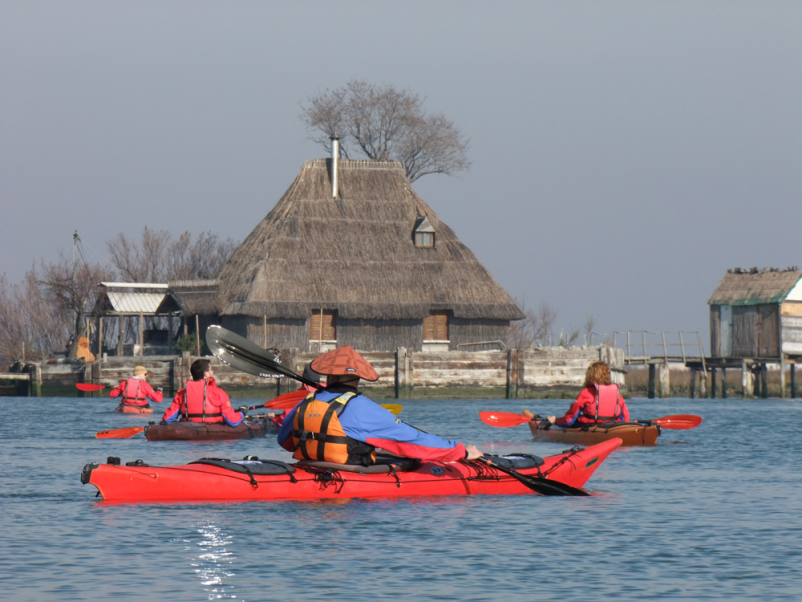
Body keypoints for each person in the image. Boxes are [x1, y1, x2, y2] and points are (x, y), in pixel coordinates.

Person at [278, 345, 483, 465]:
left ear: (329, 374)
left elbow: (285, 442)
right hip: (348, 487)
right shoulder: (361, 407)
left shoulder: (307, 400)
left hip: (310, 468)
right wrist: (460, 451)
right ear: (358, 377)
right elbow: (413, 441)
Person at [162, 359, 245, 426]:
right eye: (211, 369)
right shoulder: (219, 393)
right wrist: (242, 413)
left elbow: (167, 419)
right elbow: (232, 421)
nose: (213, 372)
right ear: (206, 374)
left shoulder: (181, 393)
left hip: (188, 429)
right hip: (212, 432)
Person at [546, 361, 630, 426]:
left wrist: (556, 421)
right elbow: (625, 419)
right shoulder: (617, 395)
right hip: (613, 427)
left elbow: (570, 420)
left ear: (590, 375)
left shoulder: (586, 393)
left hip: (591, 426)